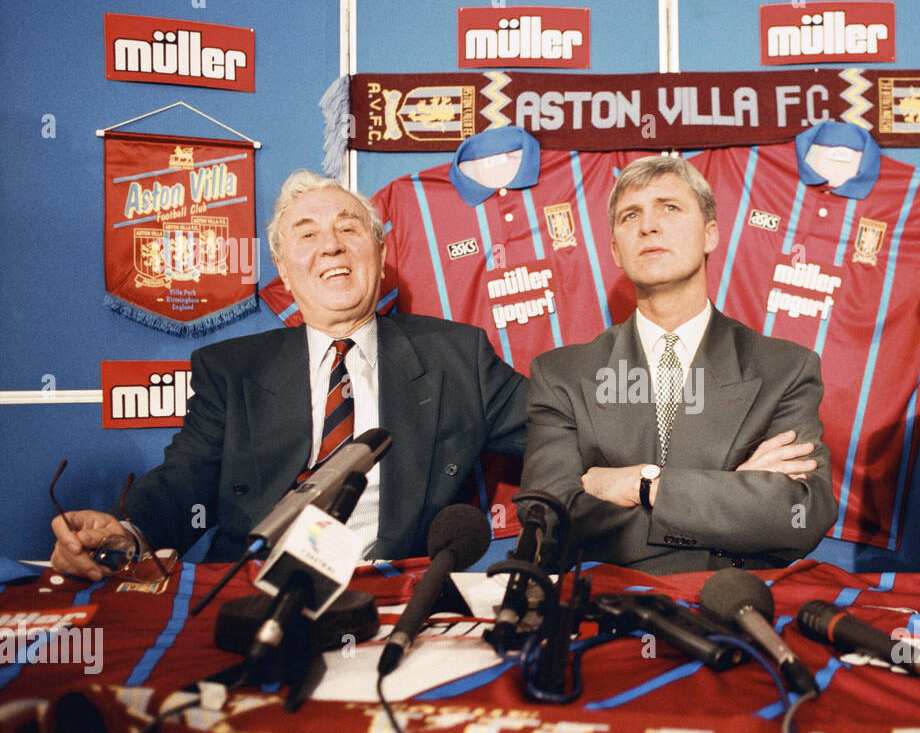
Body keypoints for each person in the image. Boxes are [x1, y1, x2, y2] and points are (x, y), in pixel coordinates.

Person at [51, 170, 528, 578]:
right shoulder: (231, 370)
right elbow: (188, 479)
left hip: (390, 589)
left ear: (380, 255)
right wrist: (129, 532)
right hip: (254, 586)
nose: (332, 247)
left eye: (350, 229)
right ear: (282, 266)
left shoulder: (456, 355)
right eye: (307, 235)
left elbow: (555, 427)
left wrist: (604, 475)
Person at [520, 155, 836, 574]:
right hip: (605, 608)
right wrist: (734, 503)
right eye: (630, 215)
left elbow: (798, 517)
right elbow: (551, 522)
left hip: (728, 613)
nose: (648, 225)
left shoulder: (785, 369)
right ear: (615, 250)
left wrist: (644, 485)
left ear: (710, 234)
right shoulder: (561, 375)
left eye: (669, 207)